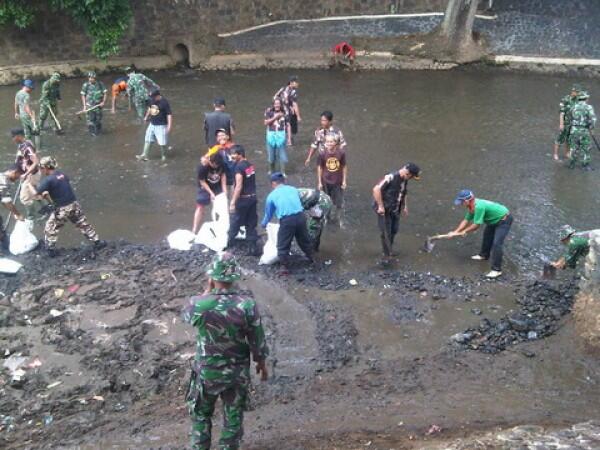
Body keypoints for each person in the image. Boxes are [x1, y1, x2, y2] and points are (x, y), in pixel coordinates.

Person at [182, 252, 269, 450]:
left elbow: (186, 316)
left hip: (207, 372)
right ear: (235, 278)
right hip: (236, 373)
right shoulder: (247, 304)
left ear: (212, 277)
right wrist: (261, 364)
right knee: (233, 416)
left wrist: (206, 292)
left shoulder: (198, 304)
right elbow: (257, 338)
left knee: (201, 414)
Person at [34, 156, 106, 257]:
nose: (41, 171)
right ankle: (98, 242)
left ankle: (50, 250)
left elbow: (37, 194)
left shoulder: (48, 180)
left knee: (50, 228)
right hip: (74, 204)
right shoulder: (63, 175)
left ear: (46, 168)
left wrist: (29, 185)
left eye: (41, 168)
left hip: (62, 208)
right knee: (83, 223)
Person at [447, 189, 513, 279]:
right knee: (487, 237)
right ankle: (484, 255)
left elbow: (476, 225)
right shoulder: (471, 206)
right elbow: (465, 220)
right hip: (492, 221)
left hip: (504, 220)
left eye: (461, 202)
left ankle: (497, 270)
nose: (461, 204)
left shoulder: (479, 207)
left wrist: (464, 231)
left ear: (466, 201)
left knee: (497, 243)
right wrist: (455, 232)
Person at [261, 172, 314, 269]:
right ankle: (312, 259)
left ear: (273, 184)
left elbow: (268, 214)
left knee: (283, 244)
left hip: (287, 220)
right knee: (304, 240)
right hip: (301, 217)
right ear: (284, 181)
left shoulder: (271, 196)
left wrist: (263, 224)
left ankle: (284, 267)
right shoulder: (293, 190)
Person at [372, 163, 420, 263]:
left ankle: (389, 250)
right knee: (386, 232)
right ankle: (387, 255)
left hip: (395, 209)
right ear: (408, 173)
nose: (410, 179)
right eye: (411, 176)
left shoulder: (404, 180)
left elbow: (404, 192)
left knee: (394, 230)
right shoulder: (391, 177)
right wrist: (380, 206)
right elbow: (376, 189)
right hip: (384, 210)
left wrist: (404, 206)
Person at [228, 145, 260, 256]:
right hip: (252, 198)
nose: (231, 156)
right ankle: (252, 248)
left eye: (233, 154)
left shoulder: (238, 167)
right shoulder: (249, 165)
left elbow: (239, 185)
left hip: (243, 199)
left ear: (240, 154)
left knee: (235, 222)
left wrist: (232, 202)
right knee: (251, 223)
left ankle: (229, 244)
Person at [193, 152, 226, 235]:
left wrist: (224, 190)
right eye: (214, 165)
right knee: (200, 207)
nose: (216, 167)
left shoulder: (222, 164)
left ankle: (220, 228)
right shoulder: (203, 167)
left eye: (217, 165)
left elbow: (223, 176)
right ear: (209, 161)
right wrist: (211, 193)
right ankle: (194, 230)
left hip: (217, 186)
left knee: (220, 208)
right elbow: (202, 181)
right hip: (205, 187)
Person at [317, 134, 347, 225]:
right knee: (326, 201)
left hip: (337, 182)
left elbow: (344, 166)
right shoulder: (322, 154)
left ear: (335, 142)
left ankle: (339, 219)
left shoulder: (341, 153)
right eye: (327, 142)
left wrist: (344, 180)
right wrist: (319, 182)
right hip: (326, 181)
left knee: (339, 203)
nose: (329, 144)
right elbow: (320, 168)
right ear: (325, 143)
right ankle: (327, 217)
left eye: (331, 141)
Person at [11, 128, 41, 219]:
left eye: (13, 137)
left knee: (24, 198)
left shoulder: (27, 146)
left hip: (31, 175)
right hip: (29, 174)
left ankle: (32, 217)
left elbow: (36, 161)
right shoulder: (22, 145)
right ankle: (46, 207)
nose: (12, 139)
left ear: (19, 136)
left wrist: (25, 174)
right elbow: (23, 159)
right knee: (34, 193)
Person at [136, 90, 172, 161]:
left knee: (162, 142)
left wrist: (169, 126)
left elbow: (169, 114)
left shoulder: (164, 102)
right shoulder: (151, 100)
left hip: (161, 125)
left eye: (153, 97)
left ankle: (164, 156)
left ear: (158, 96)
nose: (152, 99)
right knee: (148, 138)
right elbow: (150, 108)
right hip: (152, 124)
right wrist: (146, 116)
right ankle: (144, 155)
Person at [568, 90, 596, 169]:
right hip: (584, 130)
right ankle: (585, 165)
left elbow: (569, 118)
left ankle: (572, 164)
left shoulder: (573, 106)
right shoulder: (588, 107)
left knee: (573, 147)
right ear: (586, 98)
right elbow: (593, 119)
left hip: (574, 130)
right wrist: (591, 128)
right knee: (586, 147)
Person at [298, 188, 332, 252]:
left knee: (312, 227)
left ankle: (311, 253)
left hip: (321, 203)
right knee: (316, 226)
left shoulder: (291, 200)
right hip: (322, 199)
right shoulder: (292, 192)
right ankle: (315, 248)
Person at [0, 167, 25, 251]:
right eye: (17, 176)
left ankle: (4, 248)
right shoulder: (3, 181)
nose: (17, 179)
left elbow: (4, 201)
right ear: (14, 172)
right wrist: (18, 214)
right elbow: (6, 201)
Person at [553, 85, 579, 161]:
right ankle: (555, 154)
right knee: (560, 138)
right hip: (565, 123)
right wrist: (561, 124)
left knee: (569, 139)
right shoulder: (565, 99)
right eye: (576, 92)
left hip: (572, 123)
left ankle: (567, 153)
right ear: (573, 91)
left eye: (578, 92)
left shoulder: (577, 100)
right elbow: (561, 113)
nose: (577, 93)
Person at [273, 76, 301, 146]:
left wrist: (279, 104)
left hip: (282, 111)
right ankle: (289, 140)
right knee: (289, 125)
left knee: (284, 124)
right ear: (291, 83)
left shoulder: (283, 89)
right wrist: (298, 116)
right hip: (288, 111)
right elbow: (295, 104)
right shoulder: (293, 92)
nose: (297, 84)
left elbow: (275, 97)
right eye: (296, 82)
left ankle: (284, 139)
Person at [264, 98, 288, 174]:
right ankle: (272, 170)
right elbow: (266, 123)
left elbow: (288, 125)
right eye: (275, 103)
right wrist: (276, 117)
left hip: (281, 136)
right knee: (271, 156)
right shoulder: (269, 112)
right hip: (271, 136)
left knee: (282, 155)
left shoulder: (284, 112)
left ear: (280, 104)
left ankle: (283, 172)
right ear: (273, 104)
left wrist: (289, 138)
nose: (277, 105)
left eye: (278, 103)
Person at [80, 71, 107, 136]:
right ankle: (92, 133)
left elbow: (105, 93)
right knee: (90, 120)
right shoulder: (85, 85)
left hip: (98, 106)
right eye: (90, 77)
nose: (91, 79)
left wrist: (103, 102)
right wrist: (84, 106)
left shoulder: (100, 84)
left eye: (92, 78)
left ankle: (99, 132)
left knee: (98, 119)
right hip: (89, 106)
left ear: (95, 78)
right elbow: (83, 95)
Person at [14, 79, 39, 148]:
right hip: (27, 115)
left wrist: (16, 113)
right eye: (31, 88)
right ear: (26, 87)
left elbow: (16, 103)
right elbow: (26, 106)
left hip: (22, 116)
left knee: (27, 133)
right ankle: (38, 148)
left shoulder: (18, 93)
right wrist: (31, 116)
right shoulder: (27, 95)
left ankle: (26, 147)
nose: (31, 90)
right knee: (37, 130)